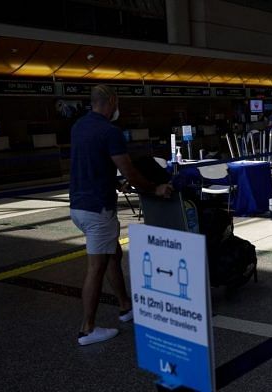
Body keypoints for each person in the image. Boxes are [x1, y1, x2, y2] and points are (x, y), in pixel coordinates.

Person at [70, 85, 172, 346]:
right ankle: (87, 328)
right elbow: (129, 171)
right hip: (97, 209)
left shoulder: (79, 127)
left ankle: (125, 306)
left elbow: (93, 165)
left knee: (113, 254)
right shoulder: (110, 131)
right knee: (97, 267)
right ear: (112, 102)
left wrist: (115, 184)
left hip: (78, 206)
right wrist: (154, 188)